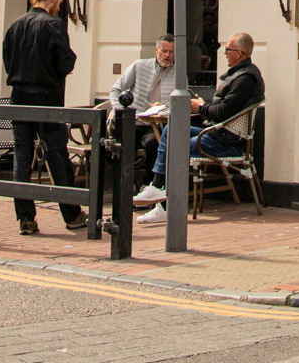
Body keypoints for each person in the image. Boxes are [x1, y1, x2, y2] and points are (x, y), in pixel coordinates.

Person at [134, 30, 262, 223]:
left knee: (177, 147)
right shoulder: (240, 75)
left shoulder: (244, 78)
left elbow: (223, 112)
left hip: (225, 139)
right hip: (219, 132)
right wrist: (204, 106)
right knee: (171, 130)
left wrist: (201, 107)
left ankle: (165, 206)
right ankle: (157, 186)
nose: (224, 53)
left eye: (228, 50)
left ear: (240, 53)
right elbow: (223, 108)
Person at [1, 0, 84, 235]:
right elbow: (66, 61)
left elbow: (7, 61)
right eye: (59, 0)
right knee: (57, 154)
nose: (59, 5)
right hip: (47, 97)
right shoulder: (53, 24)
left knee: (21, 157)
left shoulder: (15, 25)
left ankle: (25, 217)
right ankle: (71, 215)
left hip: (19, 97)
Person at [111, 37, 177, 180]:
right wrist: (120, 111)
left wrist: (165, 107)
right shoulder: (139, 66)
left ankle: (149, 185)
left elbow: (180, 103)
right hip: (134, 121)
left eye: (171, 52)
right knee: (124, 145)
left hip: (157, 124)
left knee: (154, 144)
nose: (167, 55)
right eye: (164, 51)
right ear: (156, 50)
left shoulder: (178, 73)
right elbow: (116, 90)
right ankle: (124, 187)